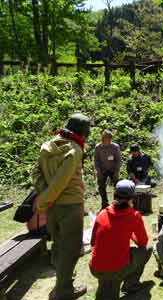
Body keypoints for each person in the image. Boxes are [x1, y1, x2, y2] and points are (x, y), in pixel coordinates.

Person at [32, 112, 91, 300]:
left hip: (53, 206)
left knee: (58, 243)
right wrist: (44, 200)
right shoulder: (74, 150)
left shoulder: (46, 146)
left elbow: (36, 174)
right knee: (71, 248)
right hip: (70, 206)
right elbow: (61, 182)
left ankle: (62, 279)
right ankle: (64, 290)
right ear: (81, 131)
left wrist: (45, 196)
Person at [90, 180, 153, 300]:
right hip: (113, 269)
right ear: (132, 198)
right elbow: (142, 242)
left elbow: (93, 242)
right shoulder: (134, 215)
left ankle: (114, 282)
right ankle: (131, 284)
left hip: (95, 267)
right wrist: (130, 235)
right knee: (147, 249)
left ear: (115, 196)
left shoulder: (102, 213)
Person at [94, 130, 121, 209]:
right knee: (101, 186)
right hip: (102, 170)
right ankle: (104, 204)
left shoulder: (115, 147)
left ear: (111, 139)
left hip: (113, 169)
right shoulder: (98, 147)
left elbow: (118, 160)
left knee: (117, 186)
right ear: (102, 138)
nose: (107, 139)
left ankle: (116, 203)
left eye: (109, 138)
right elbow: (96, 160)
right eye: (105, 138)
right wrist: (98, 171)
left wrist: (116, 171)